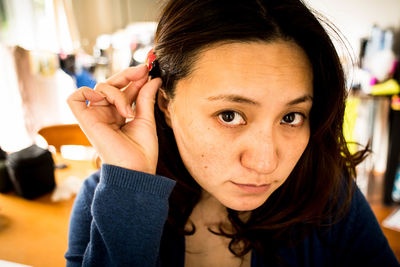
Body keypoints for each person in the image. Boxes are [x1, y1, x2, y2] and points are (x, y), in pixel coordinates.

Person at [65, 0, 400, 266]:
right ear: (165, 103)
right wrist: (131, 185)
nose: (266, 162)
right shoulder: (110, 200)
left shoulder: (328, 195)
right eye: (230, 115)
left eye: (291, 117)